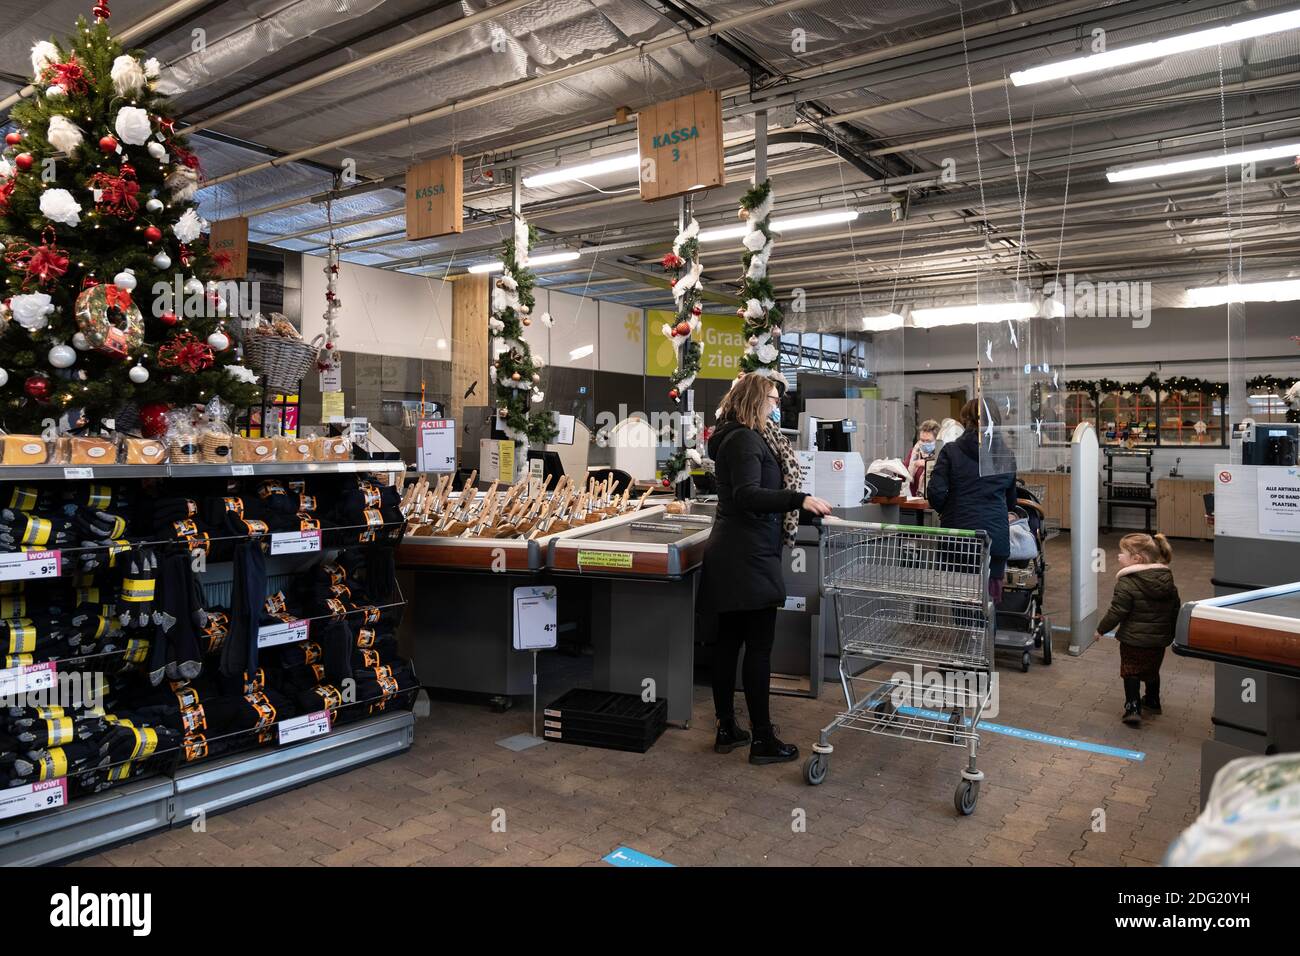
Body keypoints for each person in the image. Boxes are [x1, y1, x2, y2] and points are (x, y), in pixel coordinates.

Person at [699, 374, 832, 765]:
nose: (777, 406)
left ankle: (727, 729)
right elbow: (747, 495)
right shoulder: (743, 439)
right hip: (747, 556)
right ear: (755, 399)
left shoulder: (744, 436)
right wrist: (799, 498)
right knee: (757, 648)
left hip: (739, 552)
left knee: (728, 644)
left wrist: (799, 506)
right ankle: (762, 739)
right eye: (772, 399)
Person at [926, 400, 1018, 601]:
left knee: (962, 601)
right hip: (994, 541)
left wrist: (948, 510)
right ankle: (986, 632)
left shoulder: (951, 451)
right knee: (990, 603)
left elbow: (935, 494)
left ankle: (966, 631)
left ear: (965, 421)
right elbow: (1011, 502)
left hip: (959, 538)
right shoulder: (1006, 455)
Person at [1095, 533, 1179, 726]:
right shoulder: (1167, 581)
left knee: (1131, 671)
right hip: (1158, 641)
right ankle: (1152, 700)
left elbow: (1117, 611)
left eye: (1122, 553)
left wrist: (1101, 629)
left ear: (1137, 558)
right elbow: (1176, 609)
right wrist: (1171, 633)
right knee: (1151, 670)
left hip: (1133, 639)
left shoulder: (1127, 582)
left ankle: (1132, 708)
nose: (1118, 556)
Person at [904, 419, 941, 497]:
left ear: (937, 440)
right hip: (914, 499)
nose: (924, 444)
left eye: (928, 441)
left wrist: (928, 464)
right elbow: (905, 471)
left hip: (933, 499)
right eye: (922, 440)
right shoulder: (915, 452)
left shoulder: (942, 454)